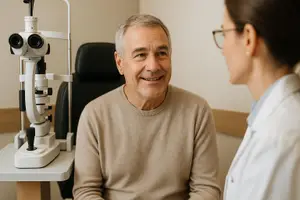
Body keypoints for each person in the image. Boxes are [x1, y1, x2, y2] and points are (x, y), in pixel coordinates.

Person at [73, 14, 221, 200]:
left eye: (161, 53)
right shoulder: (94, 115)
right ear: (120, 63)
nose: (153, 65)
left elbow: (206, 189)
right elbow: (86, 192)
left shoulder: (197, 111)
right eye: (141, 55)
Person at [212, 0, 300, 199]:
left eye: (224, 33)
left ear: (249, 39)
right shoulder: (276, 118)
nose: (223, 48)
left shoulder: (279, 138)